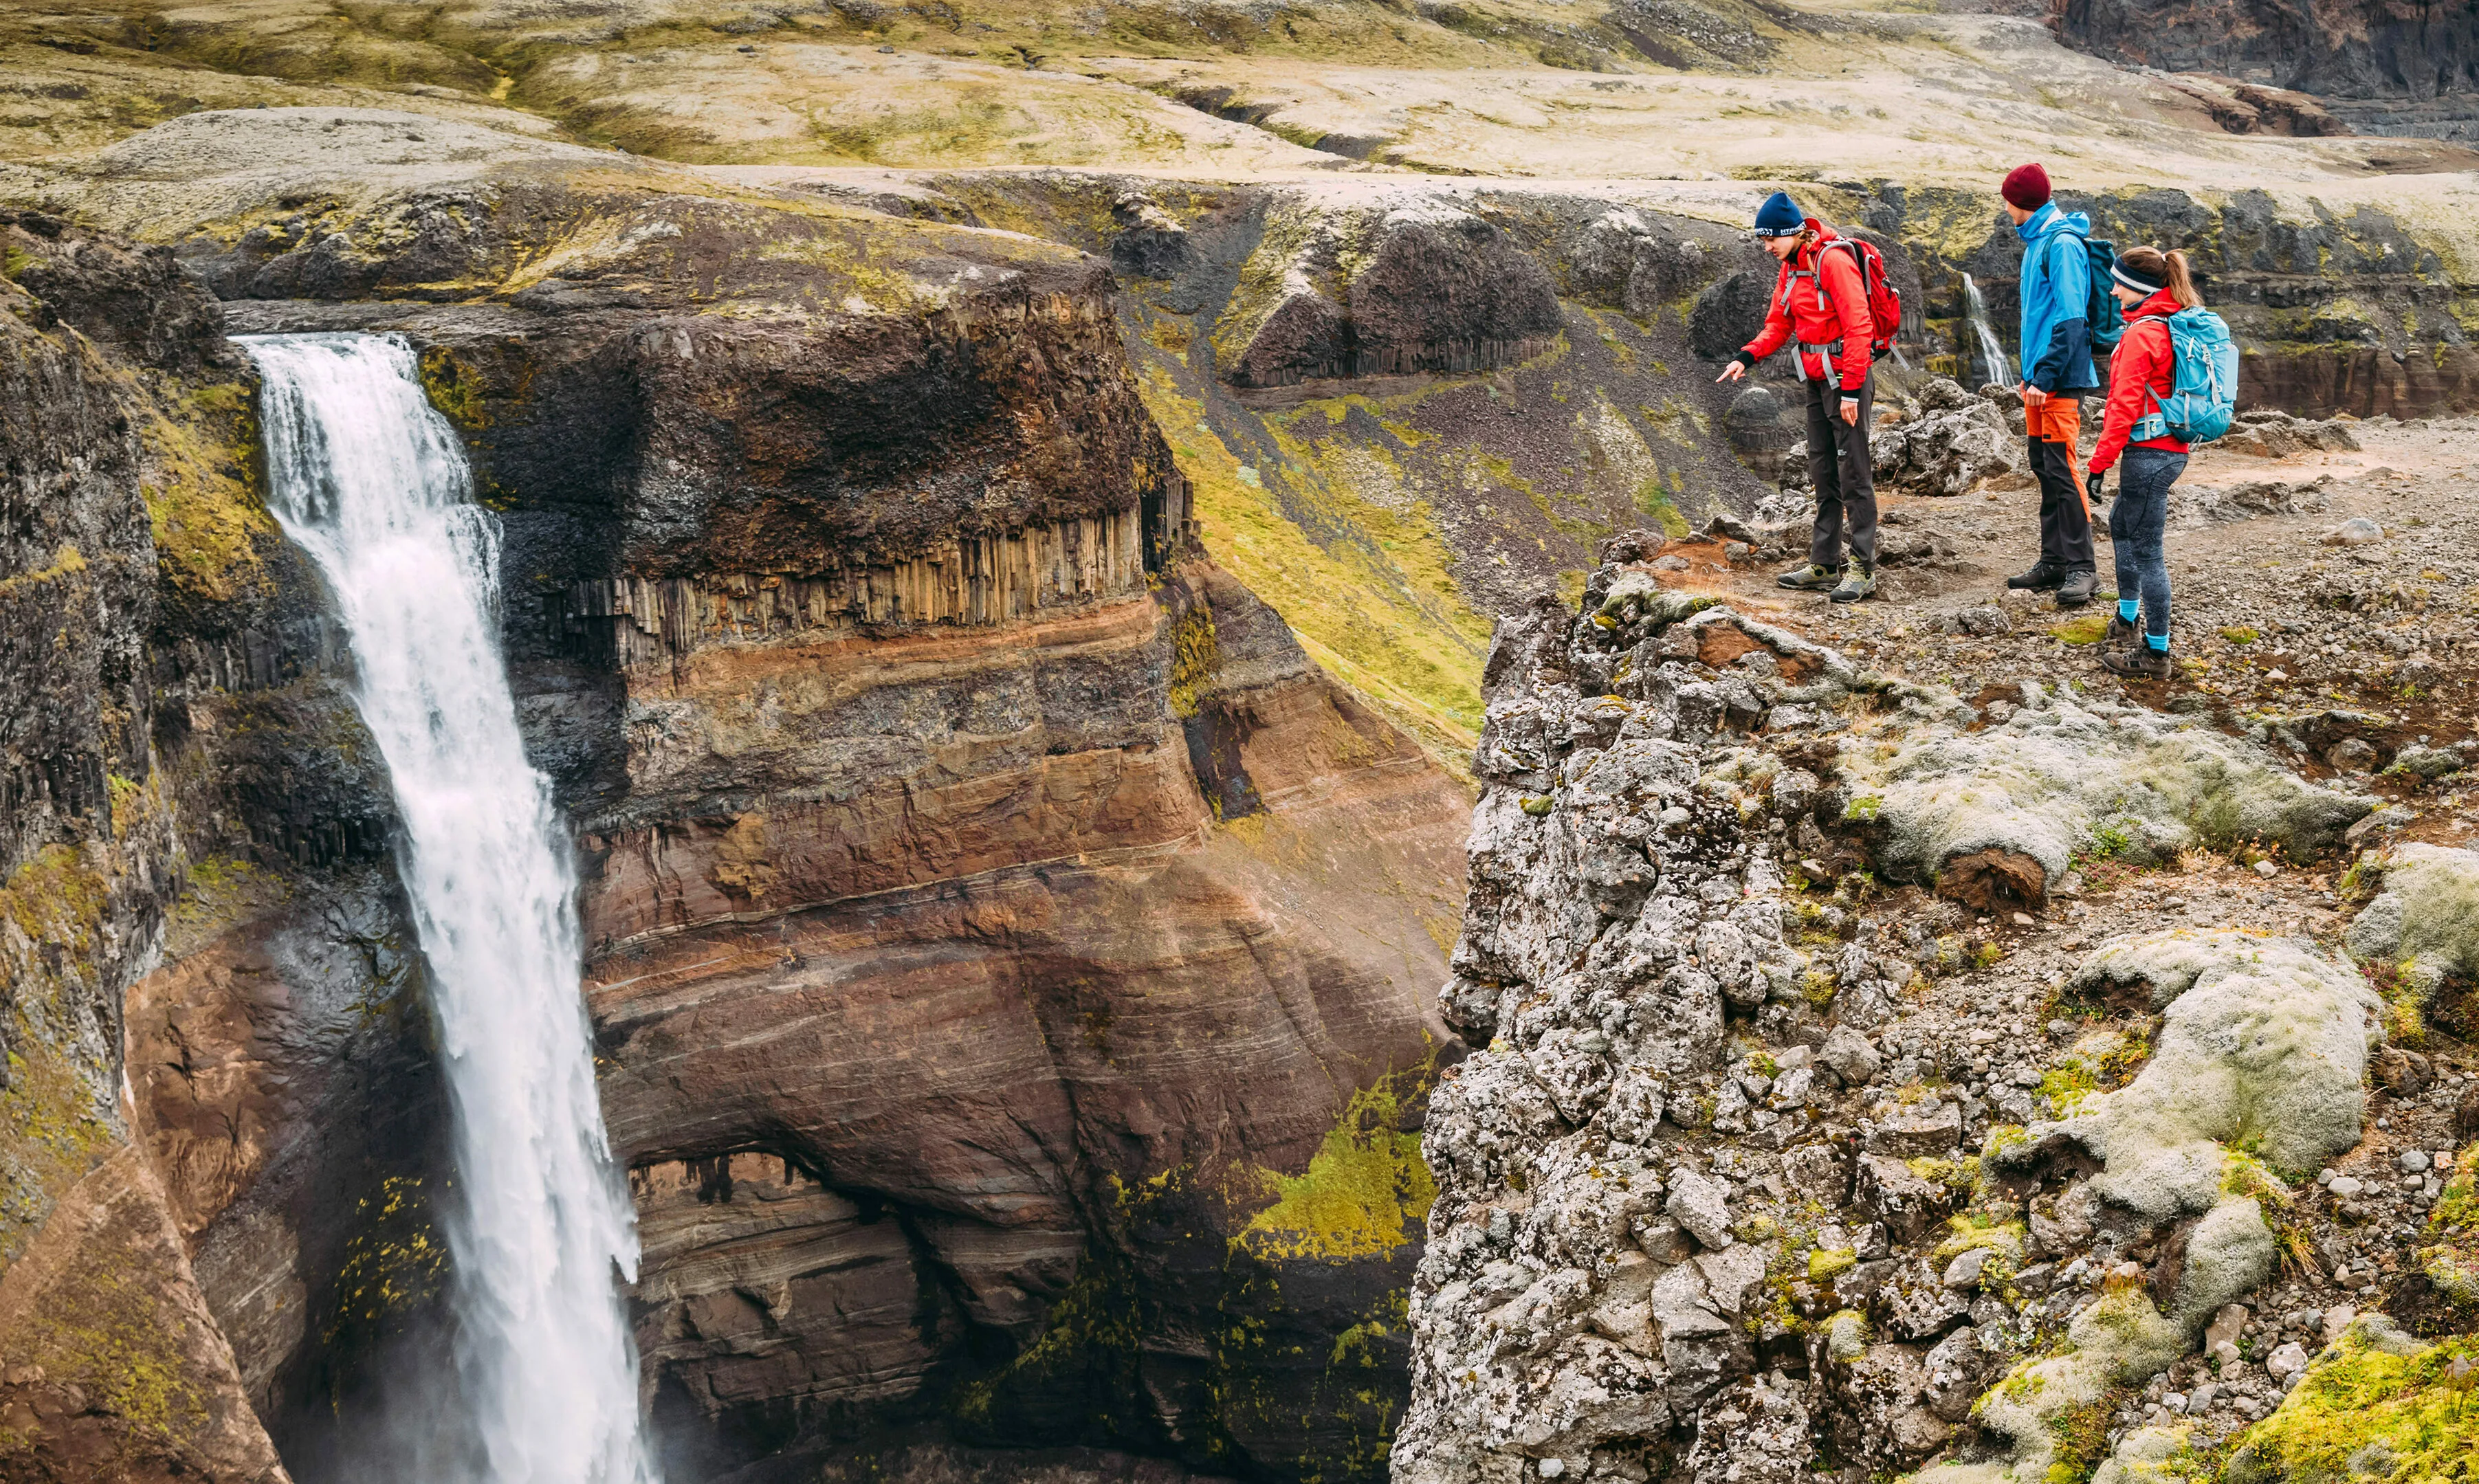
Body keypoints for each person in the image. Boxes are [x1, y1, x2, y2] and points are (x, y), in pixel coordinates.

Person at [1717, 191, 1879, 604]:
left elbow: (1860, 326)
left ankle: (1862, 568)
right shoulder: (1791, 270)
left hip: (1846, 378)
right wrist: (1746, 357)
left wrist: (1853, 389)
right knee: (1823, 470)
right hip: (1815, 378)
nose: (1766, 247)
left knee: (1854, 474)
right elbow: (1778, 324)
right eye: (1762, 240)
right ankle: (1825, 565)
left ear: (1793, 232)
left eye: (1771, 238)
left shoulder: (1833, 261)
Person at [2085, 245, 2199, 680]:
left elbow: (2122, 407)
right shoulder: (2167, 323)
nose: (2113, 292)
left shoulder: (2142, 335)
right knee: (2121, 525)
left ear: (2139, 288)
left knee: (2148, 550)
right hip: (2166, 451)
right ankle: (2127, 620)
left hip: (2151, 454)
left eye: (2119, 284)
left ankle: (2156, 654)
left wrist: (2099, 464)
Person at [1998, 163, 2102, 608]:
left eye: (2007, 201)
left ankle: (2083, 568)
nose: (2005, 209)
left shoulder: (2060, 244)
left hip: (2056, 379)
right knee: (2043, 464)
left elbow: (2072, 318)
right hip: (2037, 379)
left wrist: (2045, 375)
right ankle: (2053, 560)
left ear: (2022, 202)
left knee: (2062, 466)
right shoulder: (2038, 240)